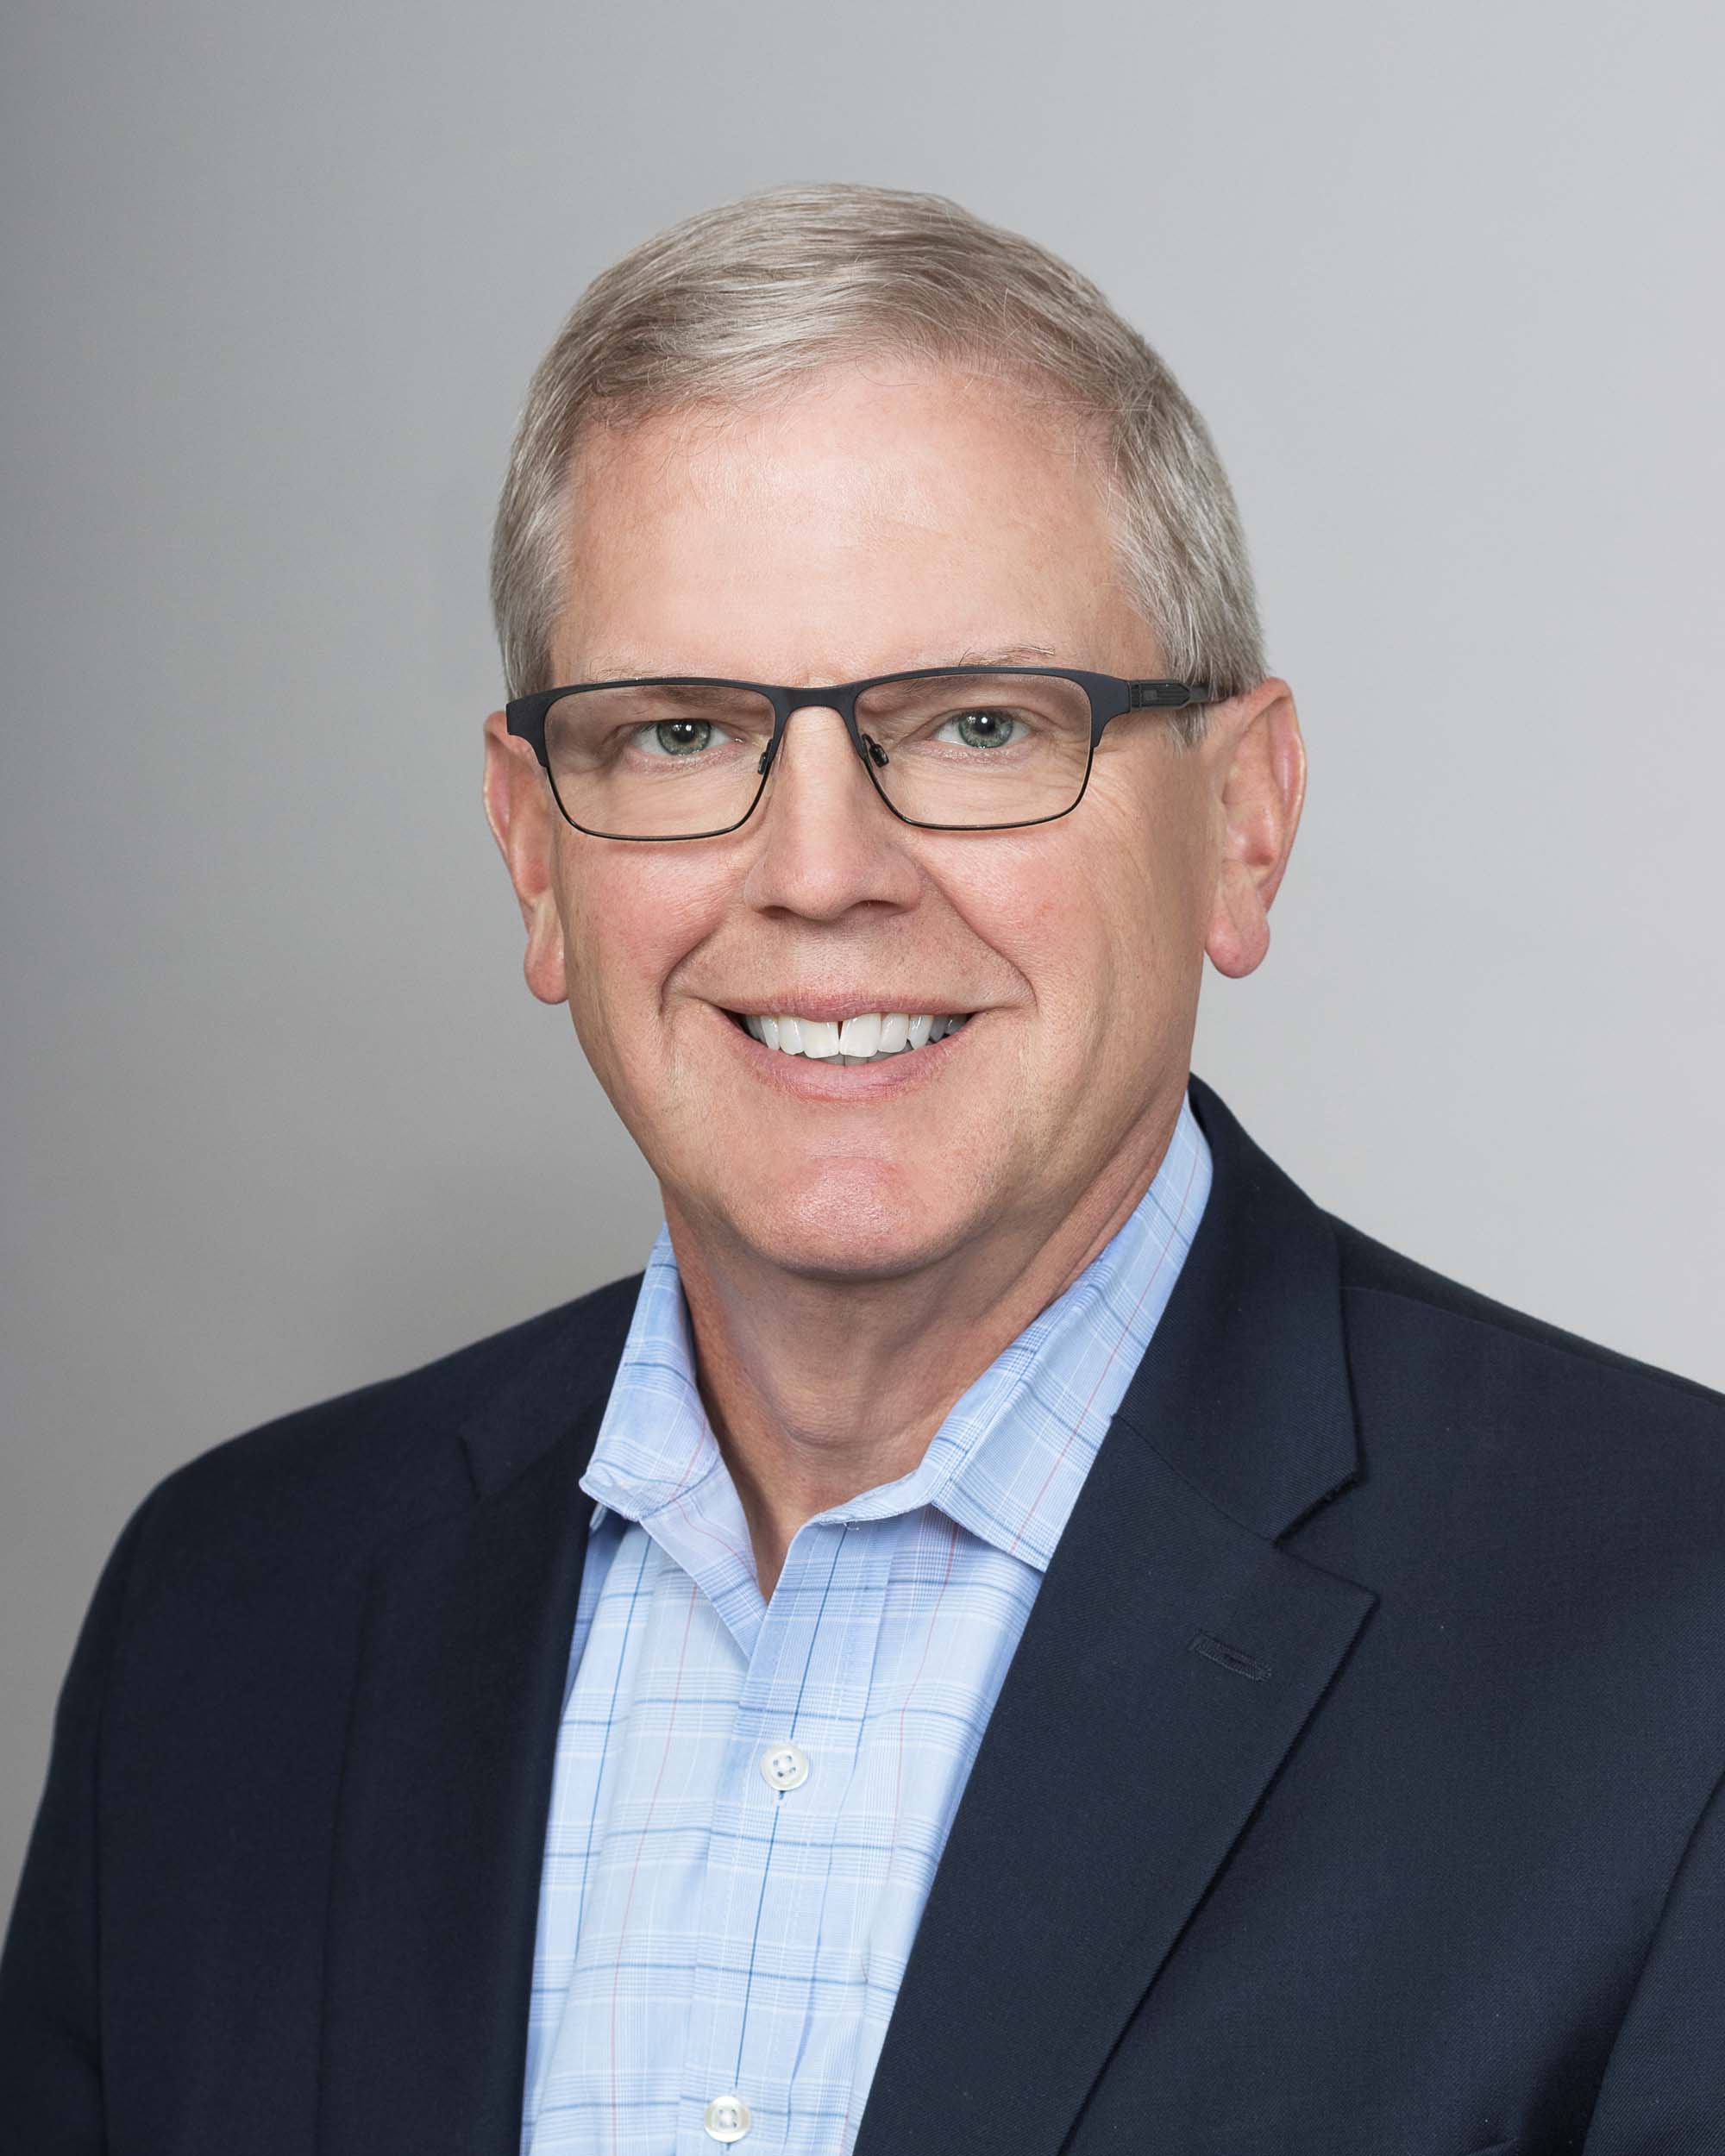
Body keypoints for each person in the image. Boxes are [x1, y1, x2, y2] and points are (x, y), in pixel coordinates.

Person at [3, 183, 1722, 2156]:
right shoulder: (232, 1614)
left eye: (980, 722)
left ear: (1243, 821)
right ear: (530, 847)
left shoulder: (1673, 1644)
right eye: (675, 734)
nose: (819, 868)